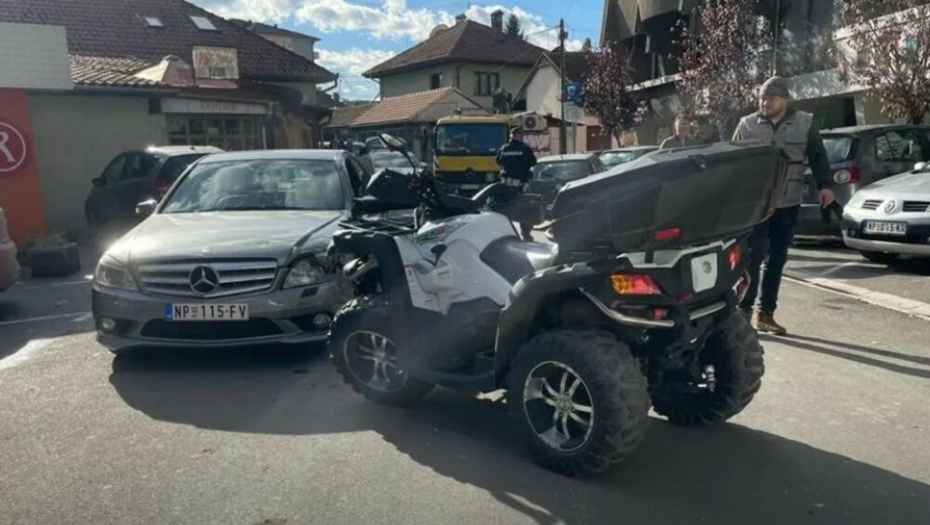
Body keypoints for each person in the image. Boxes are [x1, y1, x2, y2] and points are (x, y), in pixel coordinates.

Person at [732, 76, 835, 335]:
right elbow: (733, 161)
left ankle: (765, 313)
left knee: (776, 259)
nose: (765, 103)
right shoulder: (747, 124)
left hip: (788, 202)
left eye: (771, 99)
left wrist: (826, 186)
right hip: (757, 204)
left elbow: (818, 155)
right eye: (762, 99)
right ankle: (743, 312)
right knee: (751, 259)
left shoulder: (804, 123)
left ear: (785, 100)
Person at [495, 127, 538, 240]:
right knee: (526, 209)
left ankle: (505, 232)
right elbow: (533, 162)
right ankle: (526, 233)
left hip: (506, 185)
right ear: (519, 136)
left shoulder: (503, 149)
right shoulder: (525, 149)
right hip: (521, 185)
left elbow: (498, 161)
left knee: (504, 209)